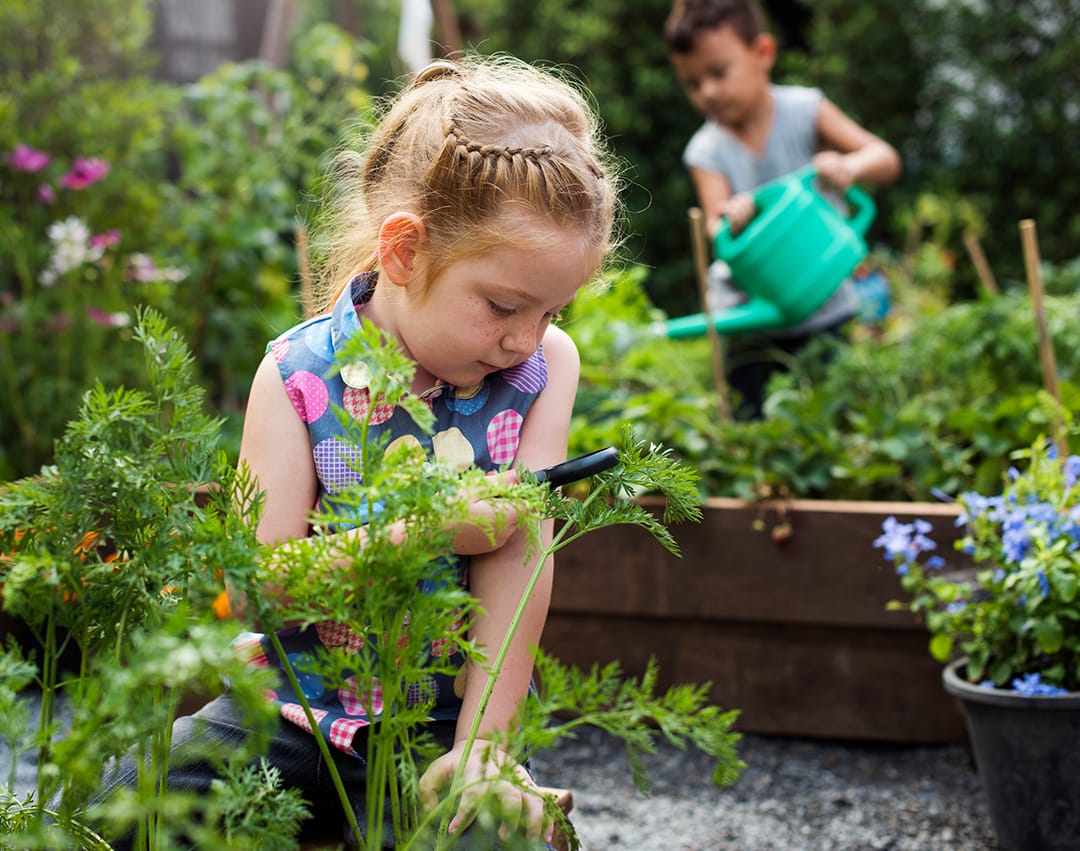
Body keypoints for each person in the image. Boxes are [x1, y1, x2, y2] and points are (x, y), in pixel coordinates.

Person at [95, 54, 618, 849]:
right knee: (127, 801)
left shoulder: (543, 371)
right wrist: (430, 531)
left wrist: (485, 745)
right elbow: (261, 590)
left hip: (437, 721)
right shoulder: (297, 376)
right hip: (292, 709)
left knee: (488, 834)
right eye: (505, 306)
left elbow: (521, 561)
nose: (526, 338)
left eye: (553, 309)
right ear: (404, 254)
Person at [664, 0, 901, 418]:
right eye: (692, 83)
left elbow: (884, 157)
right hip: (750, 314)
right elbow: (714, 224)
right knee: (749, 421)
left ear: (763, 54)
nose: (708, 92)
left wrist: (849, 166)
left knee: (835, 417)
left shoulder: (804, 110)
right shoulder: (706, 149)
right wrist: (731, 218)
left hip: (823, 302)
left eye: (718, 73)